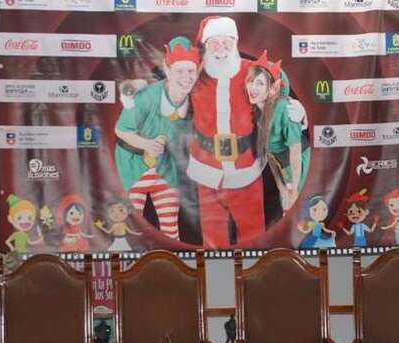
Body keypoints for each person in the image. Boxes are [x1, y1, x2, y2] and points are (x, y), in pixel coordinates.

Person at [188, 16, 305, 248]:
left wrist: (298, 110)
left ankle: (255, 273)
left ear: (236, 41)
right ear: (205, 45)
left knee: (253, 234)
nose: (221, 49)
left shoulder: (251, 71)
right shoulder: (194, 74)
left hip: (246, 166)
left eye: (227, 42)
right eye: (214, 42)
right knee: (212, 238)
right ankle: (215, 273)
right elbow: (167, 90)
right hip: (207, 168)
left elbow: (279, 90)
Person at [115, 36, 200, 240]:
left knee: (171, 229)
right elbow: (121, 130)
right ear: (167, 70)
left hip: (165, 169)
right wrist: (146, 144)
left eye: (191, 71)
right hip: (133, 168)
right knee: (133, 228)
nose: (186, 77)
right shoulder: (147, 97)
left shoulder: (195, 101)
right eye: (180, 70)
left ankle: (172, 261)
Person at [244, 50, 310, 212]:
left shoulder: (286, 109)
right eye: (251, 81)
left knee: (297, 211)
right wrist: (281, 187)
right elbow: (270, 154)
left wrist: (294, 190)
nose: (252, 87)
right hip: (282, 167)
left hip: (298, 165)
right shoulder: (258, 111)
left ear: (273, 88)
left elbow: (295, 151)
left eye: (260, 83)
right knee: (285, 206)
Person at [4, 194, 43, 258]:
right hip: (17, 254)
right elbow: (7, 242)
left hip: (25, 253)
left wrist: (39, 240)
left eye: (29, 218)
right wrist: (12, 249)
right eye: (19, 218)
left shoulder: (25, 235)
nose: (25, 221)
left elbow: (30, 243)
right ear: (10, 219)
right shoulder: (16, 234)